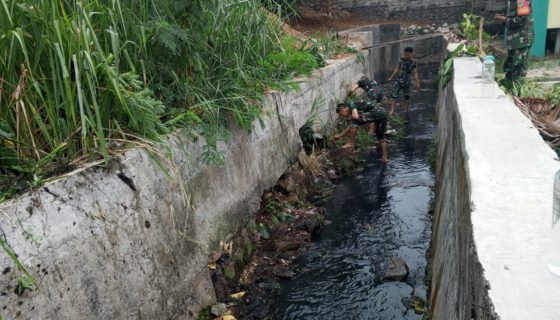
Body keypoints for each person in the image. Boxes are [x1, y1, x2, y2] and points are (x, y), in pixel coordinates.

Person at [335, 95, 389, 162]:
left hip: (376, 112)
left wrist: (349, 118)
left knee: (354, 122)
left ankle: (351, 143)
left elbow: (355, 117)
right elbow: (352, 126)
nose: (342, 116)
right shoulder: (355, 108)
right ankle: (385, 157)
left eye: (340, 114)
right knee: (381, 137)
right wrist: (340, 136)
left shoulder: (351, 105)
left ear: (342, 110)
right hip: (382, 113)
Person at [495, 0, 534, 87]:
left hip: (522, 40)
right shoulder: (512, 1)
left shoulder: (522, 0)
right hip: (514, 40)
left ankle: (518, 92)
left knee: (518, 69)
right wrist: (504, 18)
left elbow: (522, 19)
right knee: (510, 67)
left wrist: (505, 19)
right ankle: (509, 89)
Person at [387, 47, 420, 115]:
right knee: (393, 95)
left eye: (408, 54)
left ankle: (406, 110)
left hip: (407, 82)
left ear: (411, 54)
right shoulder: (401, 60)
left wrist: (418, 83)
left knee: (407, 97)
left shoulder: (413, 63)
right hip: (398, 80)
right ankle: (392, 110)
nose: (406, 56)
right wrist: (391, 77)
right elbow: (397, 69)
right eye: (405, 54)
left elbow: (415, 73)